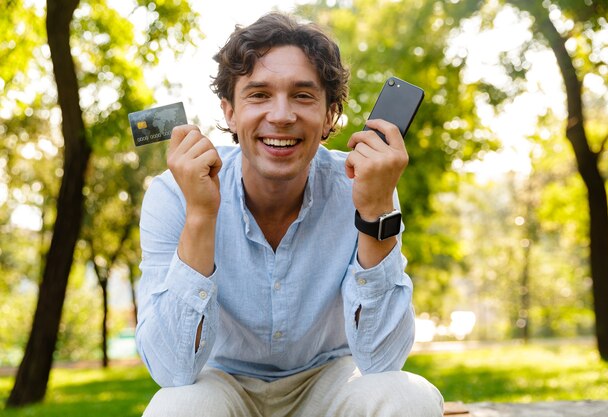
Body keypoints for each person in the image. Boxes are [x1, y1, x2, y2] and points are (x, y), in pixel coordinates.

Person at [136, 11, 443, 417]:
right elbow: (172, 370)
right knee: (178, 407)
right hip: (223, 385)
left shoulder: (368, 187)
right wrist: (200, 215)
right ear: (229, 112)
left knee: (409, 397)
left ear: (330, 114)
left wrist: (374, 211)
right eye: (259, 95)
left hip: (329, 380)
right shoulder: (173, 194)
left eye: (302, 95)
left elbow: (382, 361)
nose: (281, 115)